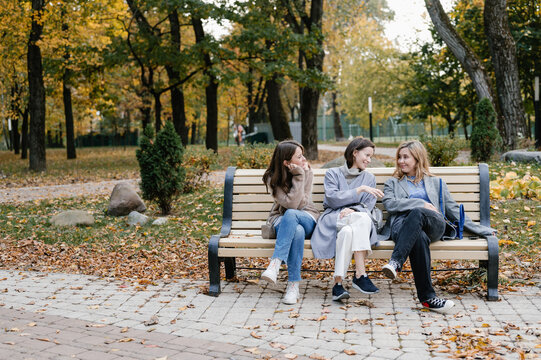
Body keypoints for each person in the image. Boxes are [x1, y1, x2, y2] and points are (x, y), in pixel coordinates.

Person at [380, 140, 495, 314]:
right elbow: (390, 204)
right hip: (402, 228)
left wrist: (482, 230)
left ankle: (396, 262)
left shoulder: (436, 182)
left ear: (418, 159)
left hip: (434, 225)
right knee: (418, 236)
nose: (400, 161)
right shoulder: (393, 183)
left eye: (406, 157)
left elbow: (453, 210)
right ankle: (428, 299)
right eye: (399, 157)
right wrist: (420, 203)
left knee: (419, 213)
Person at [311, 138, 384, 301]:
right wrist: (359, 190)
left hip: (355, 221)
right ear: (355, 153)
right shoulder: (332, 173)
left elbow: (368, 205)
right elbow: (331, 199)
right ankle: (360, 274)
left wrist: (352, 209)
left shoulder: (369, 178)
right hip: (333, 218)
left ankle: (337, 285)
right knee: (362, 219)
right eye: (367, 155)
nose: (369, 160)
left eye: (371, 157)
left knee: (348, 232)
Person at [260, 140, 320, 304]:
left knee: (293, 215)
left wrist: (301, 175)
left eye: (303, 155)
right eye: (299, 157)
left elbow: (299, 204)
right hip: (282, 219)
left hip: (307, 216)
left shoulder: (306, 171)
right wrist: (299, 176)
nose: (304, 159)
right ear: (286, 163)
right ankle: (293, 286)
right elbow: (290, 205)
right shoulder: (272, 178)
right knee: (297, 231)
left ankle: (275, 264)